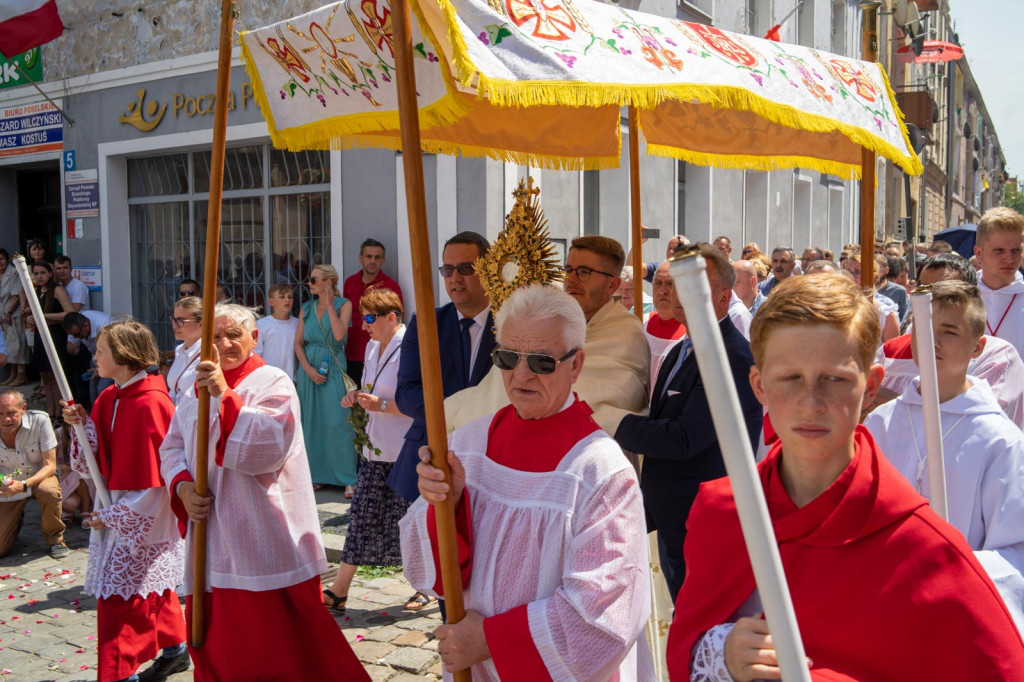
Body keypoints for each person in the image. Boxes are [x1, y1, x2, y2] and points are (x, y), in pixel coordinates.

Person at [667, 273, 1024, 681]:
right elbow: (684, 645)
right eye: (789, 378)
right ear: (759, 385)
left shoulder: (925, 549)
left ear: (870, 387)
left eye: (834, 379)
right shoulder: (722, 512)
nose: (811, 403)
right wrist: (719, 656)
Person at [401, 285, 653, 680]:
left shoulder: (601, 472)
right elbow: (429, 568)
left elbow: (602, 613)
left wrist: (491, 639)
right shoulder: (468, 445)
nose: (521, 376)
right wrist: (446, 507)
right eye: (507, 357)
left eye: (541, 361)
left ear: (576, 364)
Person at [160, 303, 368, 682]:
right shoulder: (195, 385)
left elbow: (267, 449)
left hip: (259, 536)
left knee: (273, 651)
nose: (223, 344)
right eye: (215, 336)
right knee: (216, 644)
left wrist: (225, 396)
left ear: (254, 338)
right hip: (208, 534)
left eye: (233, 334)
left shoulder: (272, 381)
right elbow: (172, 446)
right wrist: (184, 486)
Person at [863, 280, 1024, 632]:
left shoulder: (1001, 441)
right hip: (881, 600)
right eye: (924, 328)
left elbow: (1015, 551)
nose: (933, 341)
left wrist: (943, 573)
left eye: (949, 332)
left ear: (977, 347)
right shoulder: (881, 422)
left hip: (954, 609)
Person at [615, 245, 761, 603]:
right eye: (677, 283)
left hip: (703, 524)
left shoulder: (732, 358)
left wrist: (613, 422)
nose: (678, 294)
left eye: (693, 285)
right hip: (675, 517)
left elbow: (684, 438)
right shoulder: (686, 346)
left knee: (700, 628)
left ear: (725, 297)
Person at [62, 320, 189, 682]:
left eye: (102, 350)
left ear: (123, 356)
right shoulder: (109, 395)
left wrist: (118, 515)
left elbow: (159, 477)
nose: (96, 355)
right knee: (153, 587)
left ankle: (119, 674)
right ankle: (176, 649)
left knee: (120, 600)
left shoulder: (152, 402)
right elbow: (92, 463)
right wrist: (81, 426)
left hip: (143, 511)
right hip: (117, 504)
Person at [444, 235, 650, 436]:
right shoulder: (551, 322)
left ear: (613, 285)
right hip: (501, 436)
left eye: (584, 272)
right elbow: (495, 388)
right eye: (568, 270)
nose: (571, 279)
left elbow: (606, 396)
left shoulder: (625, 333)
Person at [390, 231, 495, 610]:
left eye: (466, 268)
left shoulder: (512, 321)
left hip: (493, 457)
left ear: (490, 269)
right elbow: (406, 392)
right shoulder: (427, 324)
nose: (455, 278)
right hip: (434, 455)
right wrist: (460, 413)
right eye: (448, 269)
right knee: (446, 565)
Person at [322, 288, 413, 612]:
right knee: (361, 517)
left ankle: (428, 587)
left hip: (405, 452)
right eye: (363, 318)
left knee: (414, 524)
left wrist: (382, 405)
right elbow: (372, 390)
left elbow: (423, 402)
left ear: (392, 317)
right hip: (375, 451)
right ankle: (340, 589)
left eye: (370, 318)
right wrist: (356, 398)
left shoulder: (410, 347)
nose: (364, 326)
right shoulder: (374, 347)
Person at [871, 253, 1024, 431]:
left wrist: (893, 402)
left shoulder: (998, 355)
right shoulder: (891, 350)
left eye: (943, 289)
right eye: (922, 287)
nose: (930, 298)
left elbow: (980, 421)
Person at [295, 264, 357, 493]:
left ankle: (347, 477)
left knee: (338, 420)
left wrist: (330, 305)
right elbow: (298, 342)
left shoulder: (344, 304)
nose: (309, 283)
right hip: (309, 368)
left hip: (333, 363)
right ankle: (316, 474)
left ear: (328, 282)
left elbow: (340, 335)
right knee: (311, 422)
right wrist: (307, 369)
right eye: (310, 279)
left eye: (314, 279)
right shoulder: (306, 308)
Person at [0, 389, 66, 558]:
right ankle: (15, 521)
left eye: (11, 413)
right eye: (0, 414)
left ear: (23, 408)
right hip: (7, 484)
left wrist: (24, 485)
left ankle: (55, 539)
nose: (6, 419)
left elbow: (50, 465)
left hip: (39, 477)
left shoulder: (40, 420)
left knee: (49, 491)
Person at [343, 238, 403, 384]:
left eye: (377, 257)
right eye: (368, 256)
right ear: (360, 258)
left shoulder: (390, 286)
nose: (372, 261)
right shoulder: (350, 283)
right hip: (352, 354)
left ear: (383, 260)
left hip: (381, 355)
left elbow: (396, 321)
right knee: (356, 402)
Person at [22, 261, 72, 418]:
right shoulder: (37, 291)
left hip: (55, 335)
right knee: (45, 376)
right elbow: (34, 313)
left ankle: (60, 414)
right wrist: (31, 317)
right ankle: (50, 413)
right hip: (40, 336)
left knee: (56, 377)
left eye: (42, 273)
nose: (39, 276)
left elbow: (69, 313)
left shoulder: (57, 290)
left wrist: (43, 317)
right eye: (36, 273)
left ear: (50, 273)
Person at [975, 206, 1024, 356]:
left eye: (1016, 251)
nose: (1009, 259)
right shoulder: (961, 296)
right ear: (979, 253)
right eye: (999, 251)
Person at [842, 252, 900, 344]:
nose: (851, 277)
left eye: (857, 272)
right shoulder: (836, 307)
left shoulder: (885, 315)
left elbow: (892, 352)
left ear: (872, 276)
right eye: (848, 272)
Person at [645, 263, 686, 388]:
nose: (663, 291)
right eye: (658, 283)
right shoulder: (640, 324)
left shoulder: (692, 334)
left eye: (670, 283)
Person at [62, 310, 113, 409]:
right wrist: (72, 350)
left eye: (77, 335)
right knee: (93, 392)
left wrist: (100, 370)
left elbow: (114, 354)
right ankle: (95, 418)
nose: (75, 337)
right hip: (96, 361)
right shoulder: (76, 325)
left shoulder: (104, 327)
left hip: (111, 361)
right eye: (72, 335)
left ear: (85, 326)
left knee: (102, 389)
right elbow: (75, 347)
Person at [254, 283, 298, 380]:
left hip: (291, 379)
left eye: (290, 297)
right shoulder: (262, 325)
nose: (287, 300)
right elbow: (256, 354)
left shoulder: (297, 324)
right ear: (271, 302)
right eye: (282, 297)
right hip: (267, 379)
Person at [165, 295, 203, 406]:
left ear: (200, 323)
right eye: (173, 319)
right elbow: (174, 390)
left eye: (181, 321)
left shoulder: (209, 353)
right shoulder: (179, 350)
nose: (174, 326)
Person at [0, 249, 28, 386]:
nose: (0, 262)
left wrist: (8, 313)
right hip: (2, 316)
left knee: (19, 345)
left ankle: (21, 375)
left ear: (6, 260)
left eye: (1, 259)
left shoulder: (13, 272)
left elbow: (16, 295)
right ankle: (12, 375)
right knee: (8, 346)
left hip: (14, 314)